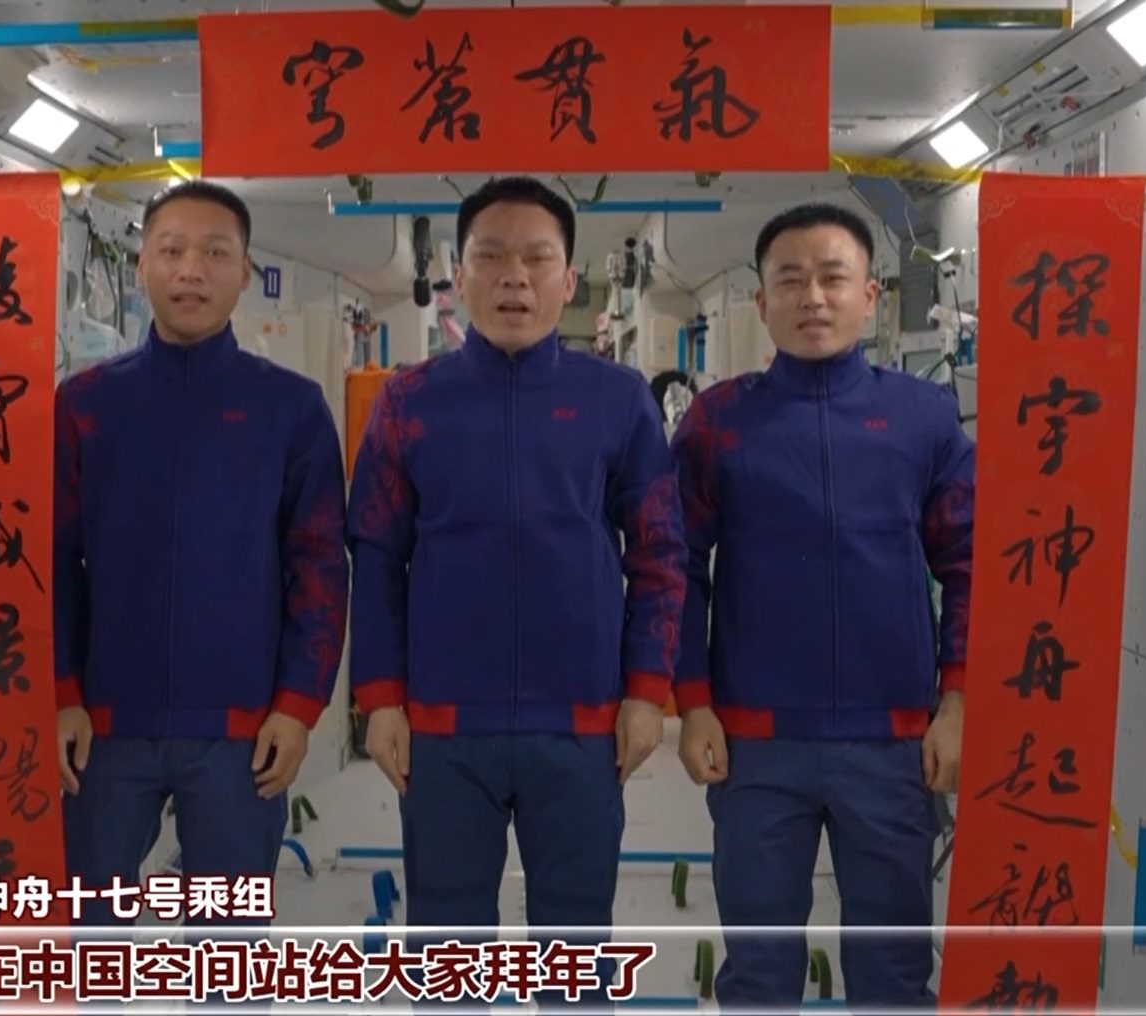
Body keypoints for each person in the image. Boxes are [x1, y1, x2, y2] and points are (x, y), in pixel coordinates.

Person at [345, 176, 687, 979]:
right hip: (443, 726)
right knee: (447, 952)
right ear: (457, 277)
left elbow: (660, 551)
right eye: (491, 258)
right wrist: (380, 698)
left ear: (568, 280)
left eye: (537, 259)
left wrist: (646, 691)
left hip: (581, 723)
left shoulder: (616, 399)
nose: (514, 279)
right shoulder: (409, 402)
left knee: (576, 950)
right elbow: (376, 553)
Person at [670, 202, 974, 1010]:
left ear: (870, 295)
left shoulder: (922, 419)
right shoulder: (718, 422)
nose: (813, 297)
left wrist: (958, 702)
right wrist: (693, 705)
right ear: (761, 301)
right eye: (790, 280)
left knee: (893, 974)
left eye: (833, 278)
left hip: (893, 743)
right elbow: (676, 568)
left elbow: (970, 563)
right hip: (756, 746)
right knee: (760, 973)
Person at [53, 180, 349, 926]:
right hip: (107, 725)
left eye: (216, 253)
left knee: (229, 944)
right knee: (92, 931)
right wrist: (62, 695)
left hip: (241, 729)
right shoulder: (86, 404)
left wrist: (298, 706)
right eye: (172, 250)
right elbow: (54, 560)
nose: (191, 270)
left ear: (245, 272)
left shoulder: (291, 409)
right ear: (141, 266)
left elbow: (319, 566)